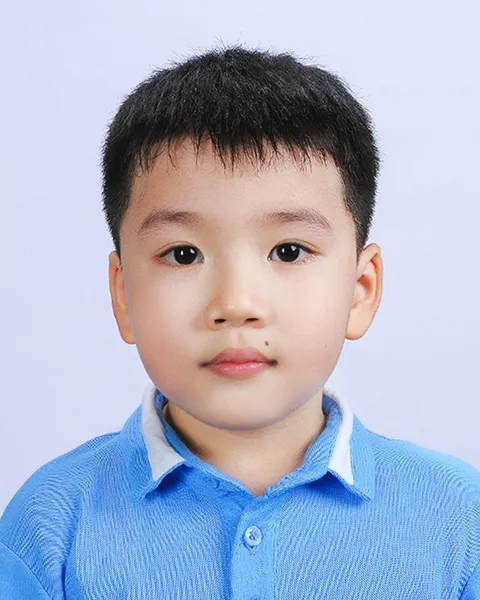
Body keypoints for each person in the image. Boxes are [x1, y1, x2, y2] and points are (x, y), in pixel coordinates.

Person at [1, 44, 479, 599]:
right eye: (183, 254)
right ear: (123, 293)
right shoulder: (51, 523)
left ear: (360, 289)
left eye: (288, 251)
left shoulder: (459, 519)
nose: (236, 303)